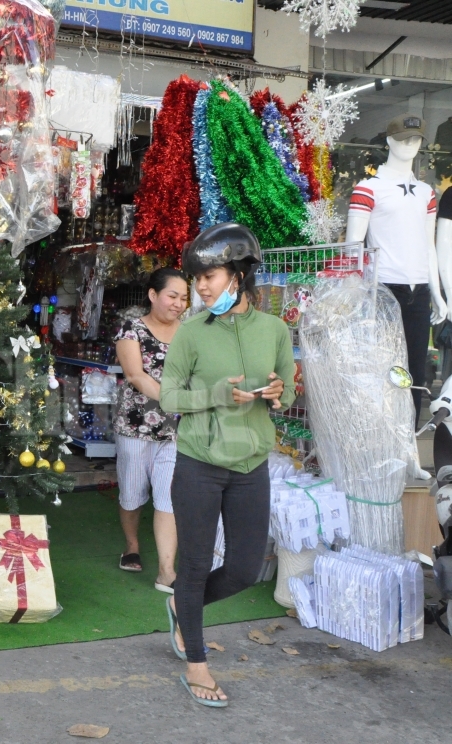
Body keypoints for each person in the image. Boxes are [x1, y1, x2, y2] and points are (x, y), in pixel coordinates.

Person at [160, 223, 296, 708]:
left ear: (239, 274)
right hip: (198, 463)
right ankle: (196, 663)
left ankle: (181, 604)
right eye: (196, 278)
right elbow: (169, 397)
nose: (199, 286)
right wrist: (215, 396)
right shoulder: (191, 332)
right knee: (195, 565)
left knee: (242, 568)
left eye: (208, 275)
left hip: (251, 465)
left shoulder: (275, 330)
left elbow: (290, 388)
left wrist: (281, 394)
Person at [113, 267, 187, 594]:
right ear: (153, 295)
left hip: (175, 431)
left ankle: (167, 571)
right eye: (173, 296)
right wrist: (178, 401)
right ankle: (131, 545)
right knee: (132, 493)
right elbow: (136, 376)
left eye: (184, 298)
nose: (179, 304)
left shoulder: (191, 332)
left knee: (168, 497)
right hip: (135, 426)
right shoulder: (131, 330)